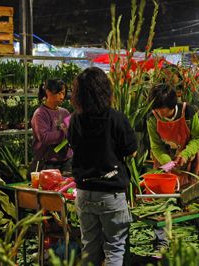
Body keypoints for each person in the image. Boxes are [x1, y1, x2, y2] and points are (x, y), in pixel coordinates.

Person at [68, 67, 137, 266]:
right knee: (114, 249)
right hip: (110, 195)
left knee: (89, 247)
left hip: (84, 192)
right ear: (105, 90)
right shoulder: (116, 118)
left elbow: (73, 145)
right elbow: (131, 150)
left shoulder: (75, 119)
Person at [146, 83, 199, 251]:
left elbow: (198, 138)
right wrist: (167, 162)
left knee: (197, 197)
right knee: (161, 202)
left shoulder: (189, 112)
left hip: (189, 162)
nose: (160, 113)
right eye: (157, 109)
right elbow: (156, 146)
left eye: (164, 109)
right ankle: (161, 240)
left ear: (172, 105)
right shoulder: (152, 118)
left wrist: (185, 154)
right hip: (165, 165)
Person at [29, 79, 72, 176]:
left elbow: (71, 131)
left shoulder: (65, 112)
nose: (62, 97)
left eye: (63, 93)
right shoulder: (40, 114)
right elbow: (44, 138)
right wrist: (64, 133)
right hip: (47, 163)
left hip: (66, 161)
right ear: (48, 92)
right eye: (59, 93)